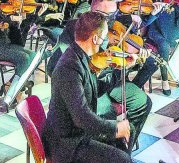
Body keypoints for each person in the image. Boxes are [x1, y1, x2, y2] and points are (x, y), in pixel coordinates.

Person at [41, 11, 133, 163]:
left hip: (76, 134)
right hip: (67, 143)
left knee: (128, 133)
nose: (105, 43)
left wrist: (122, 68)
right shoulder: (69, 67)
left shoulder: (80, 56)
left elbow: (95, 89)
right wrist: (115, 128)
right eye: (104, 38)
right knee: (121, 158)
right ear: (95, 38)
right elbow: (82, 118)